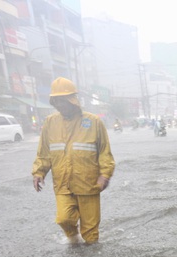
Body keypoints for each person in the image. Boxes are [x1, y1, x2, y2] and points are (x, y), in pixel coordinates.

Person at [32, 77, 115, 244]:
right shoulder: (50, 122)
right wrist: (39, 172)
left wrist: (105, 174)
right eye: (57, 101)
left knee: (90, 232)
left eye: (63, 101)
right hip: (63, 183)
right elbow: (44, 152)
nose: (60, 105)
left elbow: (105, 152)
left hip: (88, 184)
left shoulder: (93, 122)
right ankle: (74, 241)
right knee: (64, 219)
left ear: (72, 100)